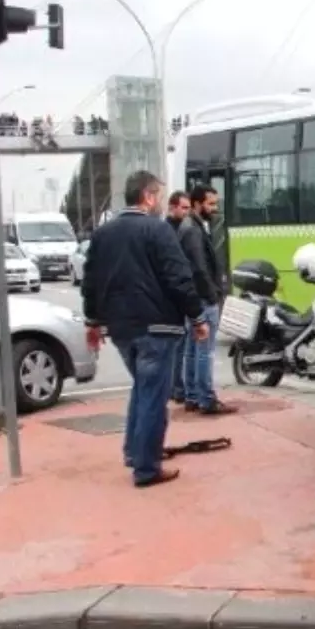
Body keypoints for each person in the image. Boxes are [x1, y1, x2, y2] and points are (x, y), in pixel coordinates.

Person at [81, 171, 207, 488]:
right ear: (148, 197)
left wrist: (93, 321)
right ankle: (147, 467)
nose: (161, 203)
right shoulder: (158, 230)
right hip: (158, 326)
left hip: (121, 329)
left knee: (142, 389)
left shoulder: (103, 234)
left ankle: (134, 452)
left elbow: (91, 282)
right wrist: (198, 317)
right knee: (154, 396)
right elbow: (179, 278)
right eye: (159, 196)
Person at [178, 184, 237, 415]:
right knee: (205, 350)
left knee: (192, 349)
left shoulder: (190, 226)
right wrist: (213, 296)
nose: (214, 208)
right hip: (202, 298)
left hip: (192, 298)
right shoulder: (193, 230)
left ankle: (192, 396)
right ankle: (206, 399)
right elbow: (199, 268)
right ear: (197, 204)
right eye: (210, 204)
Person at [165, 191, 192, 405]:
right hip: (173, 295)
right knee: (178, 343)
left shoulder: (178, 228)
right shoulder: (168, 231)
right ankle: (175, 387)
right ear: (172, 207)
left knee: (178, 343)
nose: (187, 212)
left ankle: (175, 386)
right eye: (183, 208)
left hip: (174, 294)